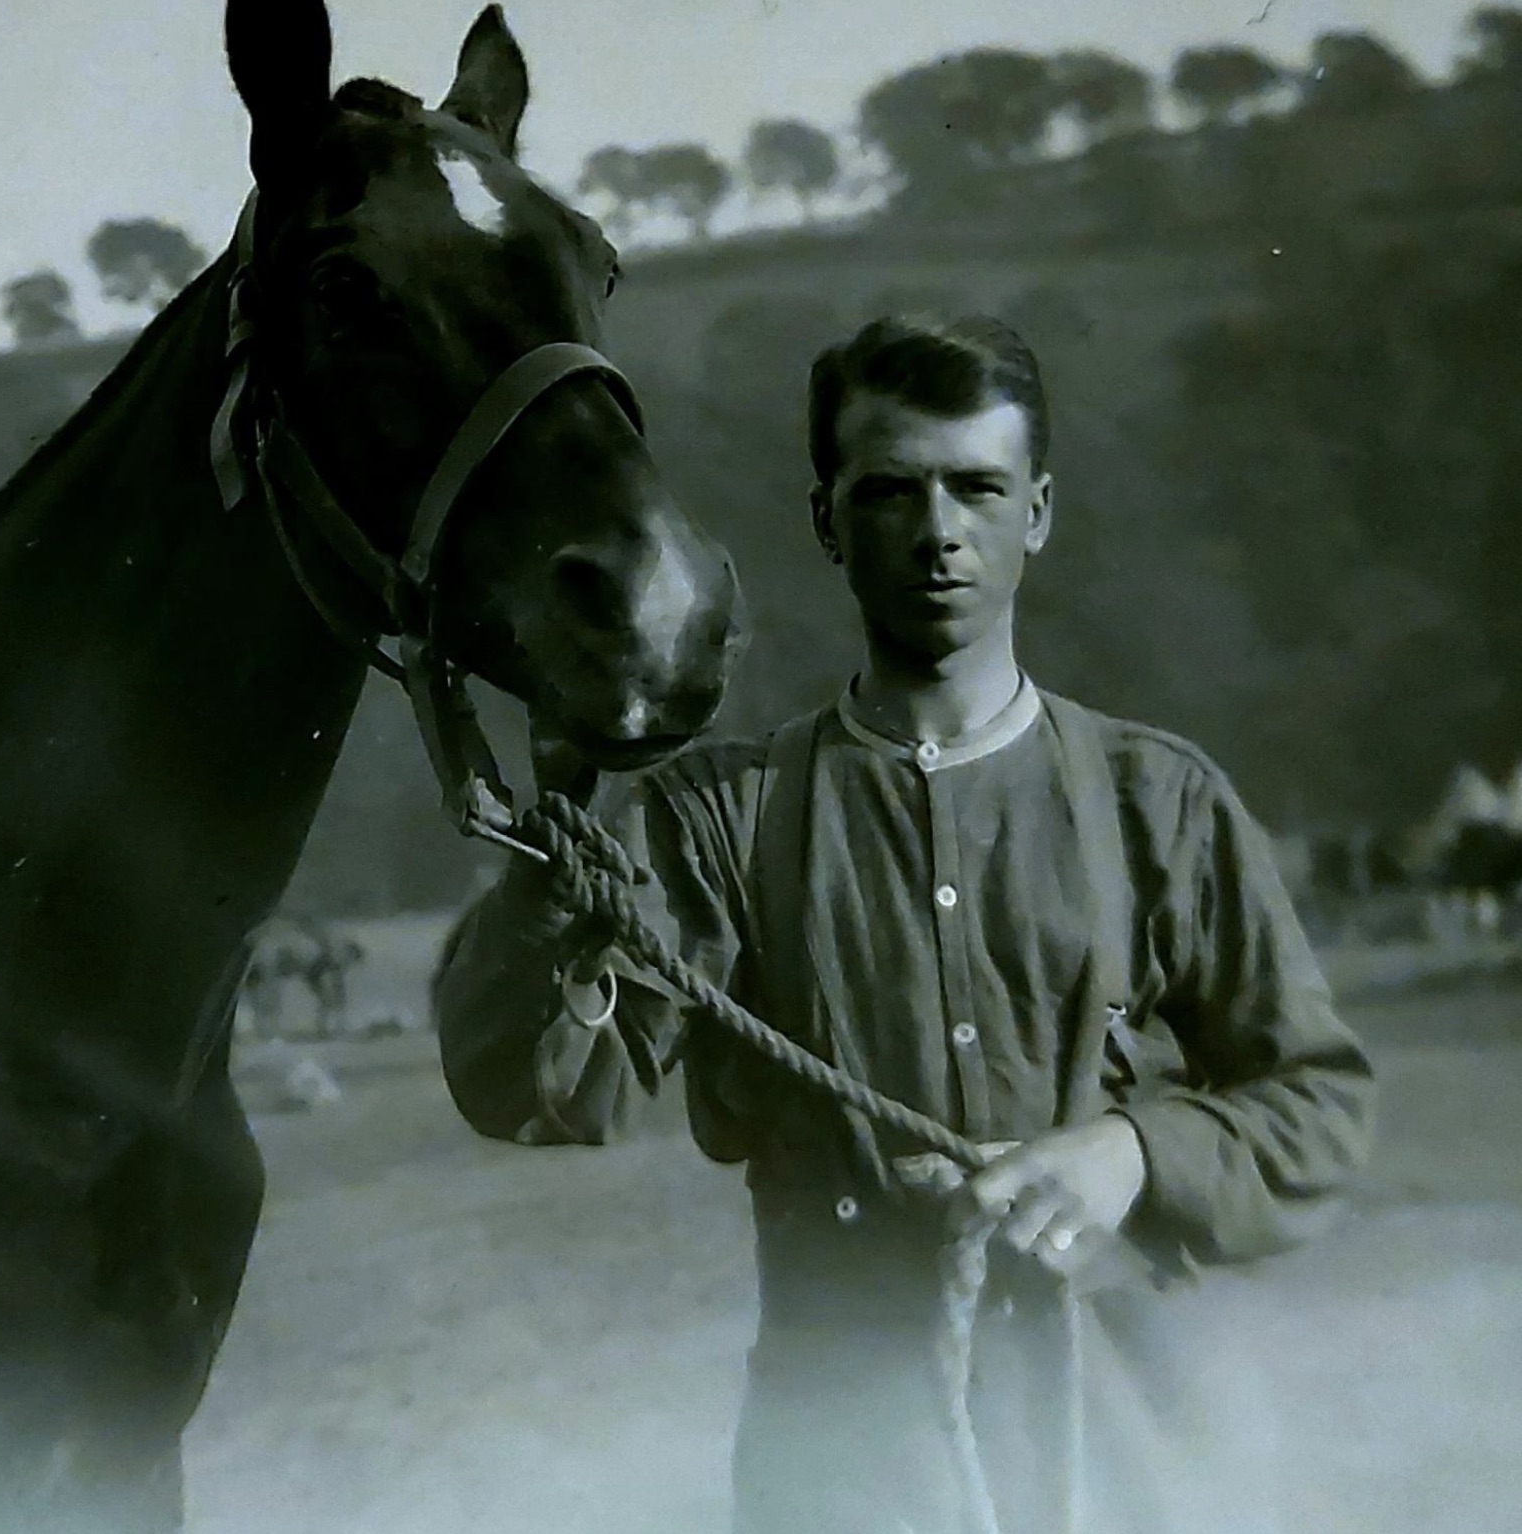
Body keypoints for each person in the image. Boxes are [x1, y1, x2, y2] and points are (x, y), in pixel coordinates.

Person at [432, 314, 1377, 1534]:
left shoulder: (1160, 800)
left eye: (976, 487)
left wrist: (1132, 1152)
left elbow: (1317, 1103)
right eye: (889, 491)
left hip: (1127, 1456)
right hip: (845, 1467)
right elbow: (539, 1090)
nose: (937, 531)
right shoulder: (718, 818)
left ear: (1034, 510)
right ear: (826, 519)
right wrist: (544, 885)